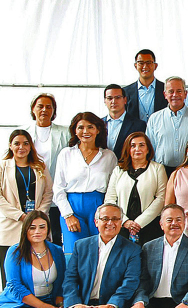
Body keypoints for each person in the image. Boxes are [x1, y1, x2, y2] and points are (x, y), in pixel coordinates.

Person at [52, 112, 117, 256]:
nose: (85, 131)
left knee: (100, 252)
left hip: (99, 206)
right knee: (74, 252)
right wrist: (68, 215)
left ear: (98, 129)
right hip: (72, 207)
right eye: (80, 127)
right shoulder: (66, 154)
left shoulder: (108, 156)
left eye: (90, 127)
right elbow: (58, 188)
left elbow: (113, 188)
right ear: (75, 130)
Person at [0, 131, 53, 277]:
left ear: (31, 146)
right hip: (11, 226)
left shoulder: (40, 166)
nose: (21, 147)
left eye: (25, 143)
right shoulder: (3, 166)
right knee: (10, 276)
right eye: (17, 143)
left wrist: (37, 216)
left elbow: (48, 193)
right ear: (10, 146)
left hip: (36, 227)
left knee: (33, 274)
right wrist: (21, 216)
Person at [105, 132, 167, 246]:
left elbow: (161, 198)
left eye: (142, 145)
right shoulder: (118, 170)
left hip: (150, 226)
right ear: (128, 149)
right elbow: (110, 199)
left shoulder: (158, 169)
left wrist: (138, 223)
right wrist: (125, 221)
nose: (137, 149)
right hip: (122, 226)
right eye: (133, 146)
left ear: (148, 149)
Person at [146, 77, 188, 172]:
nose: (175, 95)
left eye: (179, 91)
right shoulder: (154, 119)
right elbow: (149, 149)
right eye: (171, 91)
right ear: (165, 94)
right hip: (161, 171)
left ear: (185, 94)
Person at [20, 93, 70, 183]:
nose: (44, 110)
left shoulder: (66, 133)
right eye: (40, 106)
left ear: (53, 110)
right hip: (28, 182)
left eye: (48, 107)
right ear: (33, 109)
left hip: (56, 182)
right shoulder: (22, 132)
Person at [102, 83, 145, 159]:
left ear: (125, 100)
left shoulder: (138, 125)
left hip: (126, 168)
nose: (113, 101)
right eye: (109, 98)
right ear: (105, 101)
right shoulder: (98, 124)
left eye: (117, 97)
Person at [123, 50, 167, 122]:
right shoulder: (126, 92)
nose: (145, 66)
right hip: (134, 132)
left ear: (155, 66)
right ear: (135, 66)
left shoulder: (166, 89)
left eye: (149, 63)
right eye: (141, 63)